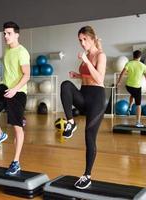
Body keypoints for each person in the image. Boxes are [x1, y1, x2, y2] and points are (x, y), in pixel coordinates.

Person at [60, 26, 106, 189]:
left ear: (92, 39)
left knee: (89, 136)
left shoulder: (101, 55)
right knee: (65, 85)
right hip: (84, 94)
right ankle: (70, 122)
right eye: (80, 40)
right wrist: (77, 75)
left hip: (97, 100)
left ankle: (87, 175)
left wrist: (86, 61)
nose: (82, 43)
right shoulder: (86, 55)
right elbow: (88, 76)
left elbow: (99, 79)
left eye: (84, 39)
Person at [0, 21, 30, 175]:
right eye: (4, 33)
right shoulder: (7, 50)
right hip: (5, 87)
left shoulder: (22, 52)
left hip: (18, 92)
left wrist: (15, 90)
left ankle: (16, 162)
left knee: (17, 128)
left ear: (17, 34)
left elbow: (27, 75)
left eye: (9, 33)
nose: (6, 36)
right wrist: (8, 89)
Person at [116, 50, 146, 127]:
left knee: (133, 94)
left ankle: (130, 107)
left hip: (128, 86)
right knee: (138, 105)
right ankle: (138, 122)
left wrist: (119, 82)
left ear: (133, 56)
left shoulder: (129, 63)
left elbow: (122, 73)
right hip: (137, 87)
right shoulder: (143, 65)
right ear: (140, 57)